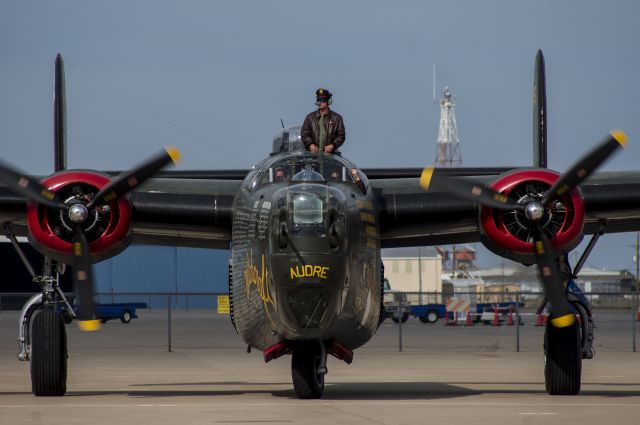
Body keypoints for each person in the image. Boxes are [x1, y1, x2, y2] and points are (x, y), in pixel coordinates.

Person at [301, 88, 345, 154]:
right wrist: (310, 144)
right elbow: (304, 134)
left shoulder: (337, 118)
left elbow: (341, 136)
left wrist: (332, 145)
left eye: (322, 100)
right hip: (313, 156)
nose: (320, 102)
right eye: (318, 100)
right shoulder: (310, 118)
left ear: (328, 101)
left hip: (331, 157)